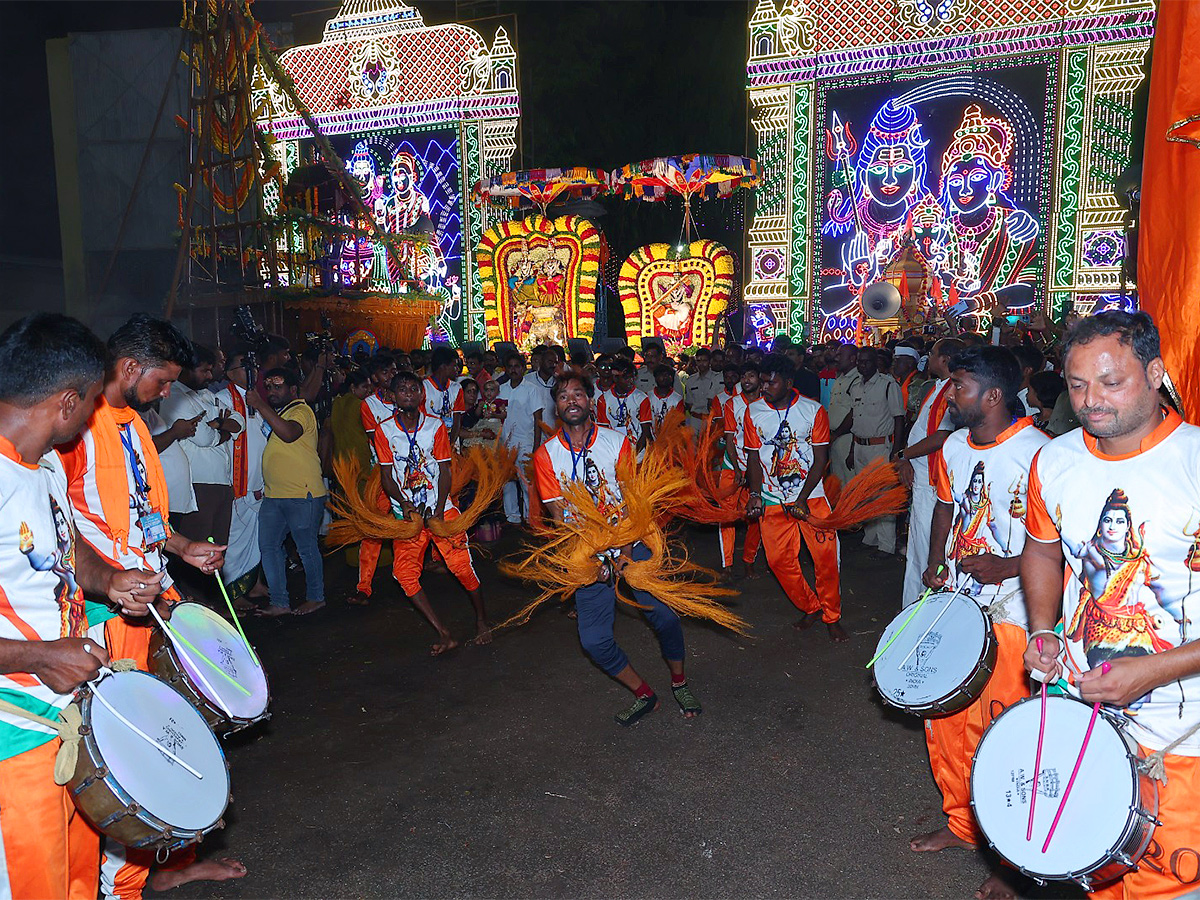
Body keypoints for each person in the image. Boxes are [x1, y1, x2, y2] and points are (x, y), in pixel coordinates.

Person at [57, 313, 239, 898]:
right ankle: (120, 885)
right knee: (119, 757)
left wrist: (183, 546)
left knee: (163, 741)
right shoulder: (72, 428)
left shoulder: (136, 422)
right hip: (105, 613)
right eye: (162, 381)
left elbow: (144, 514)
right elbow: (60, 528)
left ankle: (156, 869)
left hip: (153, 600)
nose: (166, 393)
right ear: (131, 367)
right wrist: (109, 579)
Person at [1023, 311, 1200, 900]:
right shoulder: (1053, 459)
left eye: (1109, 382)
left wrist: (1156, 668)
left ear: (1154, 373)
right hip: (1085, 717)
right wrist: (1044, 630)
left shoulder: (1194, 462)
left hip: (1182, 736)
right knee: (1091, 873)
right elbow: (1043, 552)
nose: (1090, 401)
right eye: (1076, 384)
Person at [0, 313, 170, 900]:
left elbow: (69, 550)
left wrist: (111, 580)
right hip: (13, 738)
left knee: (78, 877)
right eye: (94, 401)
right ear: (69, 401)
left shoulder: (43, 465)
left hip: (70, 721)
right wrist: (38, 654)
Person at [914, 346, 1046, 900]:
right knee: (941, 721)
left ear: (993, 395)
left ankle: (1013, 857)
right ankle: (962, 824)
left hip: (1015, 613)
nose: (951, 396)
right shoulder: (952, 447)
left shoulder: (1041, 454)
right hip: (959, 605)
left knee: (999, 733)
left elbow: (1060, 546)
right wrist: (936, 559)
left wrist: (1006, 566)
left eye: (961, 387)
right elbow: (946, 507)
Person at [532, 373, 701, 725]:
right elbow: (560, 517)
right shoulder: (545, 456)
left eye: (578, 393)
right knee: (593, 642)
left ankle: (679, 682)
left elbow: (635, 503)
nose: (572, 400)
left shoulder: (617, 443)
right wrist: (595, 560)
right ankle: (644, 694)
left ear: (590, 401)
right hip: (586, 554)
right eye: (563, 396)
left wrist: (624, 554)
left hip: (631, 540)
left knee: (666, 618)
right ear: (556, 406)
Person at [374, 372, 489, 653]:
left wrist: (438, 509)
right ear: (393, 396)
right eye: (402, 389)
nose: (409, 394)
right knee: (404, 575)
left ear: (422, 395)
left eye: (414, 389)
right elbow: (387, 477)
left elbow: (445, 470)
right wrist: (405, 503)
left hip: (442, 510)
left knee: (462, 568)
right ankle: (444, 632)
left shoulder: (435, 426)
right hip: (407, 517)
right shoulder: (384, 430)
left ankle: (482, 621)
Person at [744, 354, 846, 642]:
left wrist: (802, 498)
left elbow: (820, 459)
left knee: (825, 560)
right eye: (762, 382)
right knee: (778, 561)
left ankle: (832, 616)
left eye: (771, 382)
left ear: (789, 383)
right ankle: (810, 606)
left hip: (811, 498)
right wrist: (754, 493)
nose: (764, 387)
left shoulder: (813, 411)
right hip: (772, 499)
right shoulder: (752, 412)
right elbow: (753, 458)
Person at [159, 344, 243, 596]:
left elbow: (238, 421)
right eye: (204, 371)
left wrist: (217, 425)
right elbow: (205, 437)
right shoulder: (174, 395)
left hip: (221, 481)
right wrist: (220, 428)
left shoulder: (202, 395)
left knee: (217, 548)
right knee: (196, 548)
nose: (209, 376)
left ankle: (214, 604)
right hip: (200, 483)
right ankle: (194, 606)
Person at [247, 368, 326, 617]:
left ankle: (316, 597)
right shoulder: (280, 412)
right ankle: (280, 601)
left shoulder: (301, 410)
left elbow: (289, 433)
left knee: (306, 549)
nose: (271, 392)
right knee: (268, 546)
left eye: (277, 386)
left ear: (292, 389)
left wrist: (259, 405)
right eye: (268, 387)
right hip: (274, 495)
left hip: (303, 494)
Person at [898, 338, 963, 607]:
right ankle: (913, 609)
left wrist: (905, 455)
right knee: (917, 549)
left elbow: (942, 436)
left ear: (945, 360)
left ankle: (922, 611)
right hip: (924, 478)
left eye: (933, 352)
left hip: (934, 481)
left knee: (926, 551)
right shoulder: (938, 387)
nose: (929, 356)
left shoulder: (954, 391)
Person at [836, 347, 903, 558]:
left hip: (879, 447)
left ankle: (886, 545)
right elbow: (856, 419)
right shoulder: (857, 386)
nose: (862, 365)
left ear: (875, 363)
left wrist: (896, 452)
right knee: (865, 494)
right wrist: (851, 450)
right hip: (860, 446)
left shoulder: (888, 385)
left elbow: (899, 419)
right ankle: (870, 537)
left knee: (883, 494)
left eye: (866, 362)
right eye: (860, 362)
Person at [220, 350, 272, 606]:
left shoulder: (257, 399)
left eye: (253, 366)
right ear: (229, 373)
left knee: (256, 537)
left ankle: (254, 584)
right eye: (244, 366)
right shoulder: (222, 399)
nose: (251, 371)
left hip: (259, 478)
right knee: (236, 537)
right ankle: (234, 593)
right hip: (237, 482)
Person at [350, 354, 398, 607]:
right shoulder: (369, 404)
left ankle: (420, 570)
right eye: (384, 372)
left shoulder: (409, 396)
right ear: (374, 378)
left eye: (393, 370)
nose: (390, 376)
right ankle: (364, 586)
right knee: (373, 529)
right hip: (383, 474)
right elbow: (377, 440)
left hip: (412, 472)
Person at [719, 361, 761, 577]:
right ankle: (727, 563)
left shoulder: (767, 404)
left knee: (756, 515)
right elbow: (729, 439)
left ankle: (749, 560)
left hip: (758, 468)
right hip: (733, 465)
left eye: (751, 376)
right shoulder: (731, 404)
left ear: (760, 379)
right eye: (743, 376)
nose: (746, 380)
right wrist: (737, 469)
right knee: (726, 515)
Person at [498, 352, 542, 525]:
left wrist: (536, 448)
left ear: (524, 369)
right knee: (507, 481)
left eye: (517, 366)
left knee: (527, 482)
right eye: (510, 366)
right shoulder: (502, 389)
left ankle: (530, 518)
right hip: (505, 442)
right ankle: (512, 517)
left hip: (526, 441)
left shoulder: (532, 390)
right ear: (506, 369)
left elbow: (539, 421)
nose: (514, 370)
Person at [595, 357, 653, 456]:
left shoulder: (641, 398)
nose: (631, 381)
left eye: (633, 377)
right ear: (615, 377)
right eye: (626, 378)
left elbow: (646, 432)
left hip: (638, 455)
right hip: (614, 453)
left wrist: (633, 456)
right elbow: (603, 431)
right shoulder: (603, 400)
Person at [825, 344, 860, 486]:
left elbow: (854, 413)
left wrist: (837, 434)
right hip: (835, 438)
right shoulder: (840, 378)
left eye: (840, 355)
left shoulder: (857, 379)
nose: (836, 358)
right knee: (837, 482)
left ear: (852, 358)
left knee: (849, 482)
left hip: (846, 438)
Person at [423, 345, 465, 447]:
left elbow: (457, 420)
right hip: (429, 443)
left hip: (451, 442)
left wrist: (451, 444)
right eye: (454, 365)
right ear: (443, 366)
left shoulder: (456, 388)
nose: (458, 369)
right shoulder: (424, 387)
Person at [683, 348, 721, 432]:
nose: (701, 364)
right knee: (692, 444)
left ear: (710, 361)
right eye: (699, 361)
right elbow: (689, 403)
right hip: (695, 419)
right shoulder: (691, 380)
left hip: (712, 420)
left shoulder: (717, 378)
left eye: (704, 361)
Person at [649, 365, 685, 432]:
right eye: (661, 375)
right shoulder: (648, 397)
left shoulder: (677, 399)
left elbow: (679, 423)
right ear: (655, 377)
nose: (665, 377)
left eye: (668, 375)